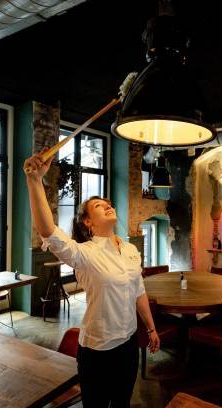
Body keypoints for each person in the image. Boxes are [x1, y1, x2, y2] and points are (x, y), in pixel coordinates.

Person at [24, 151, 160, 407]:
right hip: (97, 351)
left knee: (122, 404)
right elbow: (47, 230)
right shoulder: (84, 254)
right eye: (99, 206)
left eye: (108, 203)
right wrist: (35, 180)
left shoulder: (130, 250)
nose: (108, 205)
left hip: (128, 345)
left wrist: (151, 328)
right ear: (88, 222)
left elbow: (138, 291)